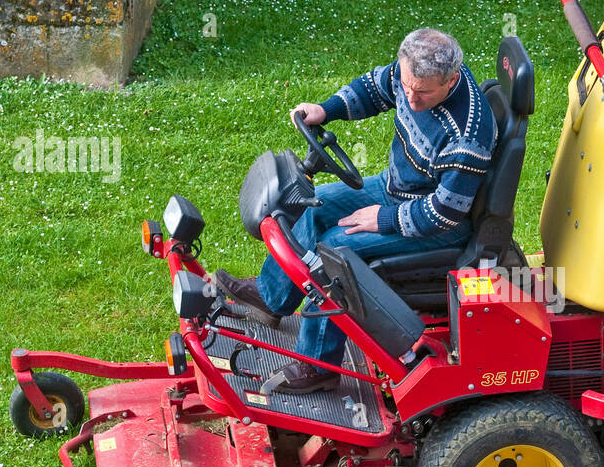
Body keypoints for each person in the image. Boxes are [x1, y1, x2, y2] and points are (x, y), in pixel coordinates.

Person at [213, 28, 497, 394]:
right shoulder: (415, 73)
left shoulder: (466, 137)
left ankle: (318, 365)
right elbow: (376, 88)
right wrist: (326, 110)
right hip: (398, 187)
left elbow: (444, 213)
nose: (410, 99)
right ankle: (272, 298)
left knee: (333, 251)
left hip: (436, 222)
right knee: (315, 207)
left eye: (423, 92)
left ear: (452, 79)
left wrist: (382, 219)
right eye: (408, 86)